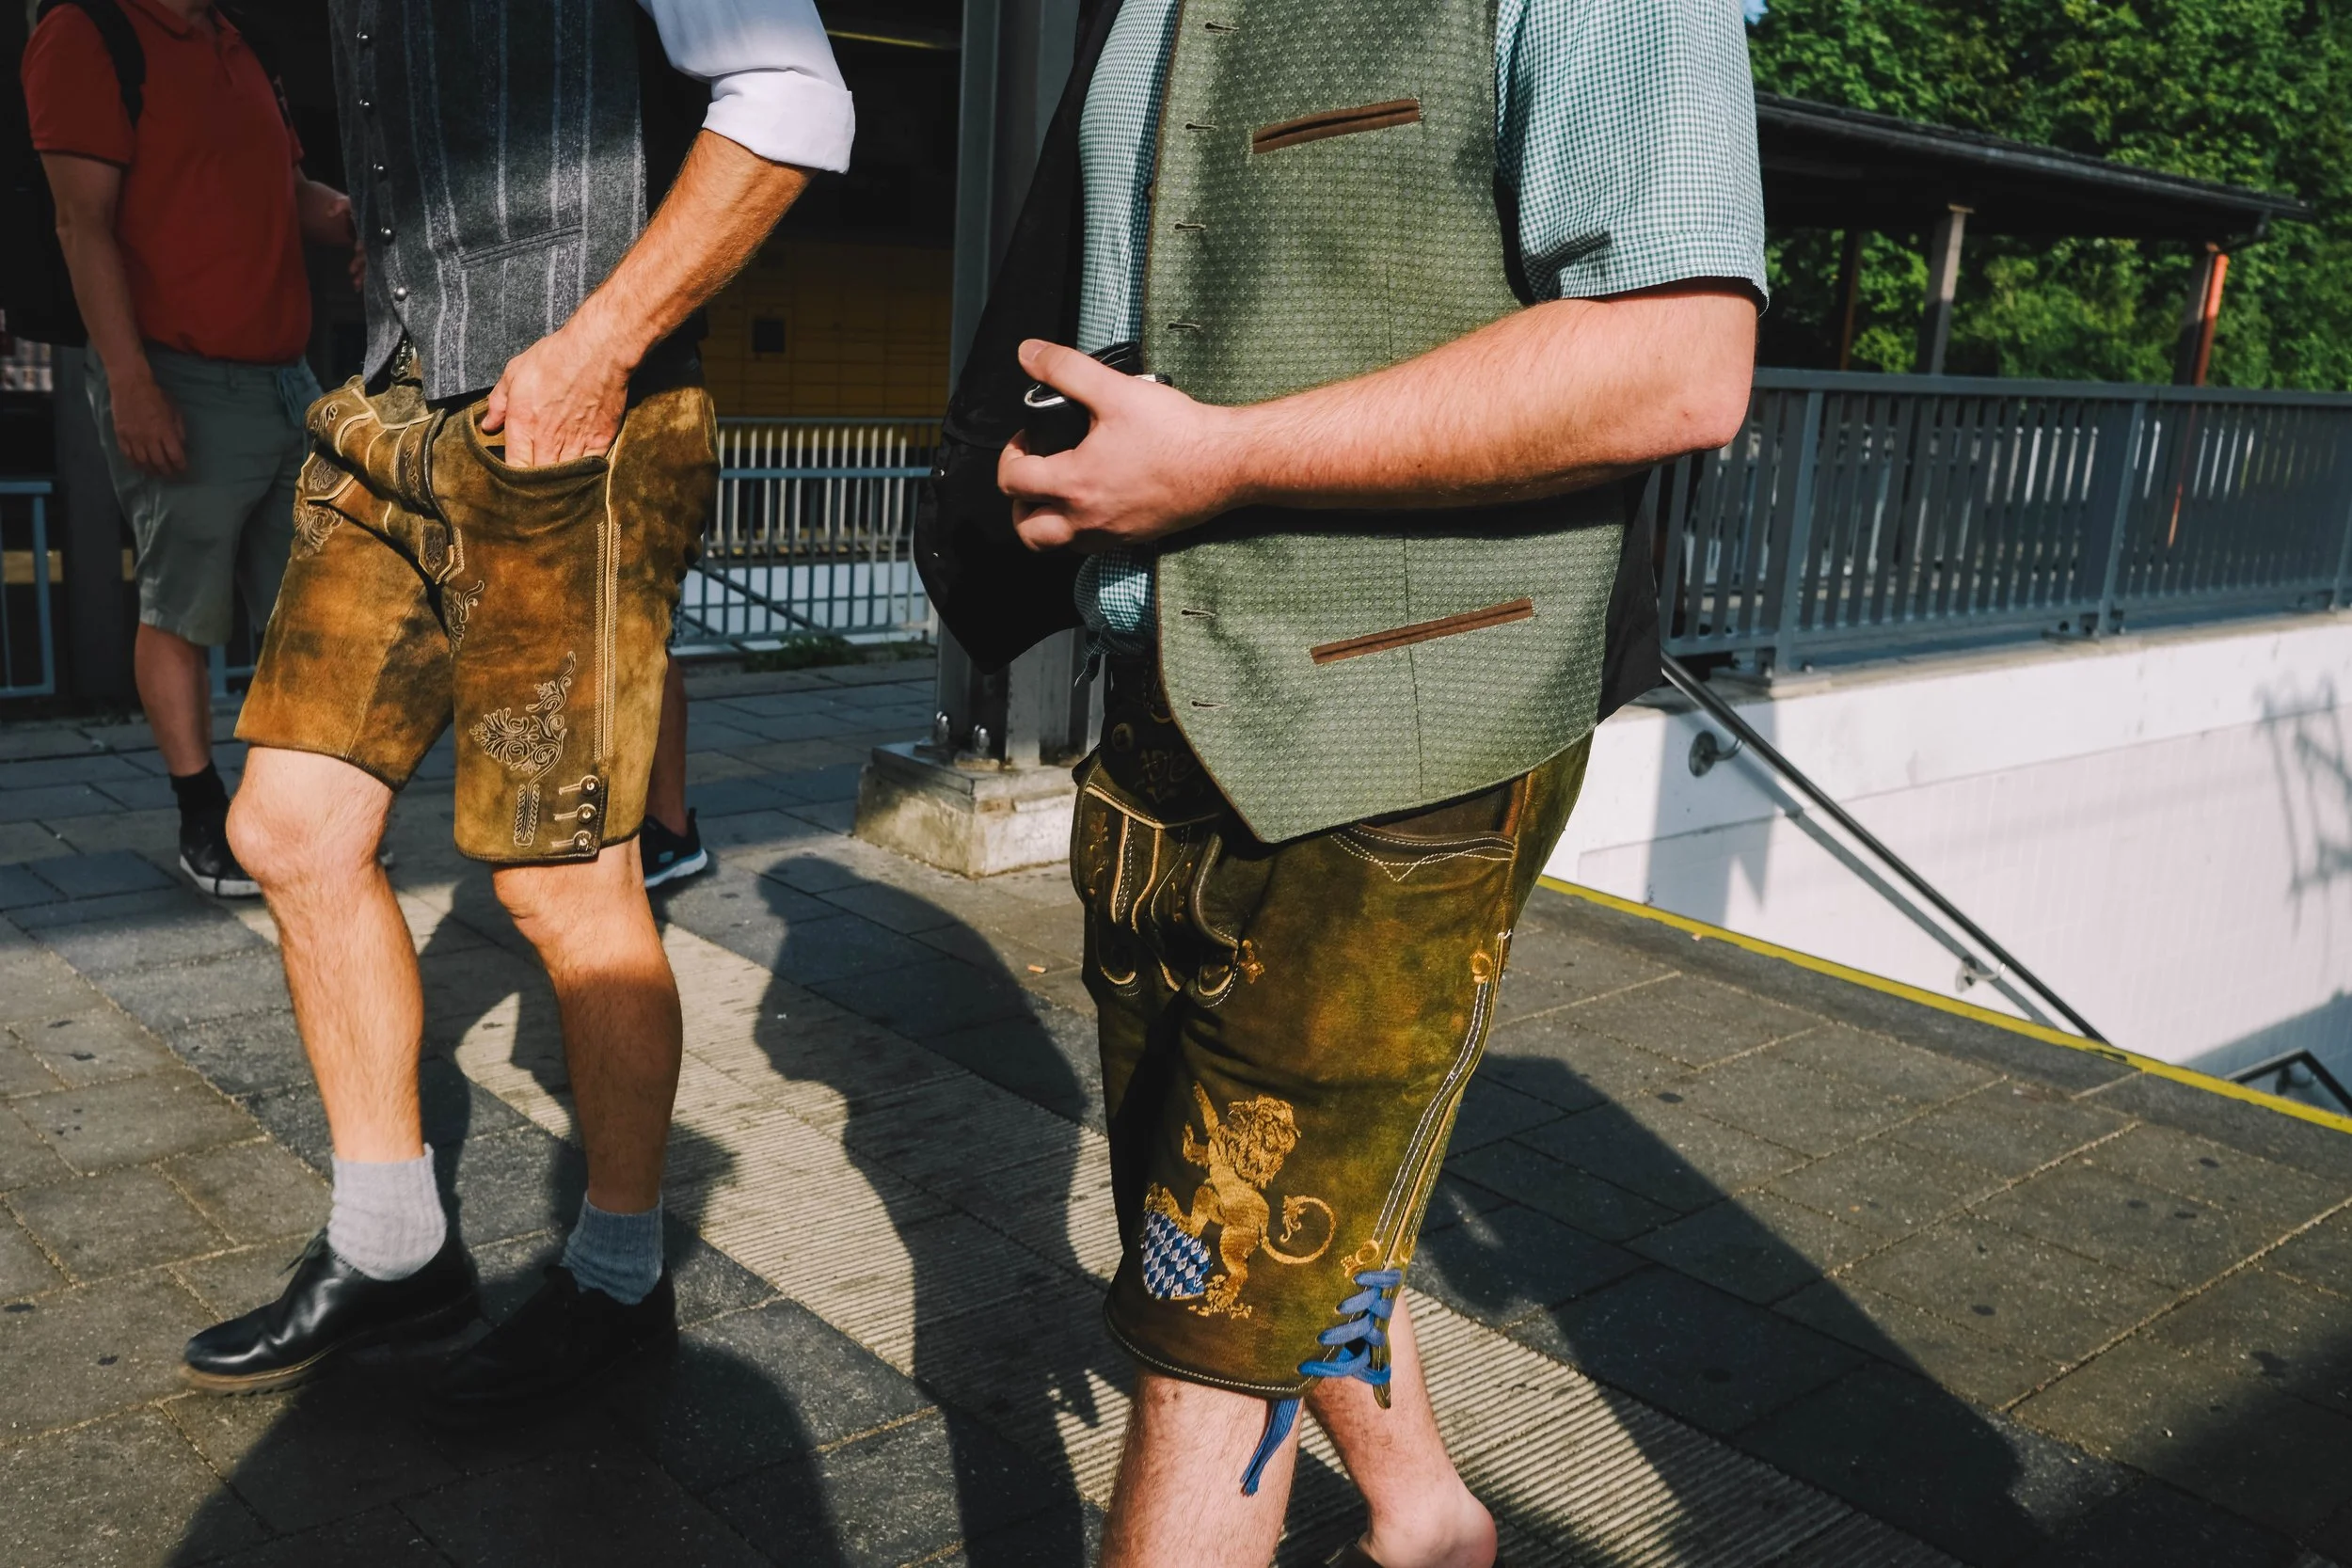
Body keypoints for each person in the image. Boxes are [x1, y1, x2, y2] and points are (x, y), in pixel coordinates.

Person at [917, 0, 1765, 1561]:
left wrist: (1222, 461)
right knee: (1227, 1238)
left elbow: (1678, 360)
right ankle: (1428, 1510)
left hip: (1401, 737)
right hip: (1165, 703)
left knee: (1202, 1339)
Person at [177, 0, 852, 1411]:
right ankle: (392, 1240)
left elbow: (792, 98)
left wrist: (596, 348)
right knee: (290, 826)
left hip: (571, 423)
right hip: (393, 407)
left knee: (560, 885)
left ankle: (618, 1277)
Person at [23, 0, 355, 897]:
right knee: (182, 609)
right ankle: (203, 818)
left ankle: (295, 810)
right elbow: (79, 222)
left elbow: (283, 193)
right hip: (180, 376)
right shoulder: (90, 32)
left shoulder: (237, 38)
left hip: (289, 376)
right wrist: (131, 384)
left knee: (314, 606)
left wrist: (357, 225)